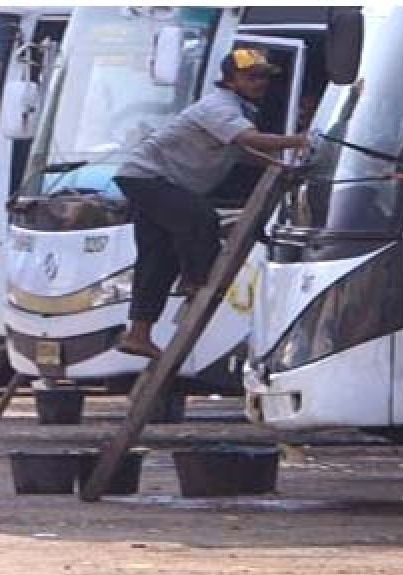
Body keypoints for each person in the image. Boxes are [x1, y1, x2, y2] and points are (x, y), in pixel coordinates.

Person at [113, 48, 308, 359]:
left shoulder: (238, 111)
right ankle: (196, 281)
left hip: (149, 180)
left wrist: (283, 167)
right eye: (252, 76)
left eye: (263, 77)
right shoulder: (220, 107)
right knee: (201, 220)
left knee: (158, 259)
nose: (260, 83)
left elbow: (243, 150)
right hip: (149, 178)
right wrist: (301, 141)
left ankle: (138, 334)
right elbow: (253, 141)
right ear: (231, 79)